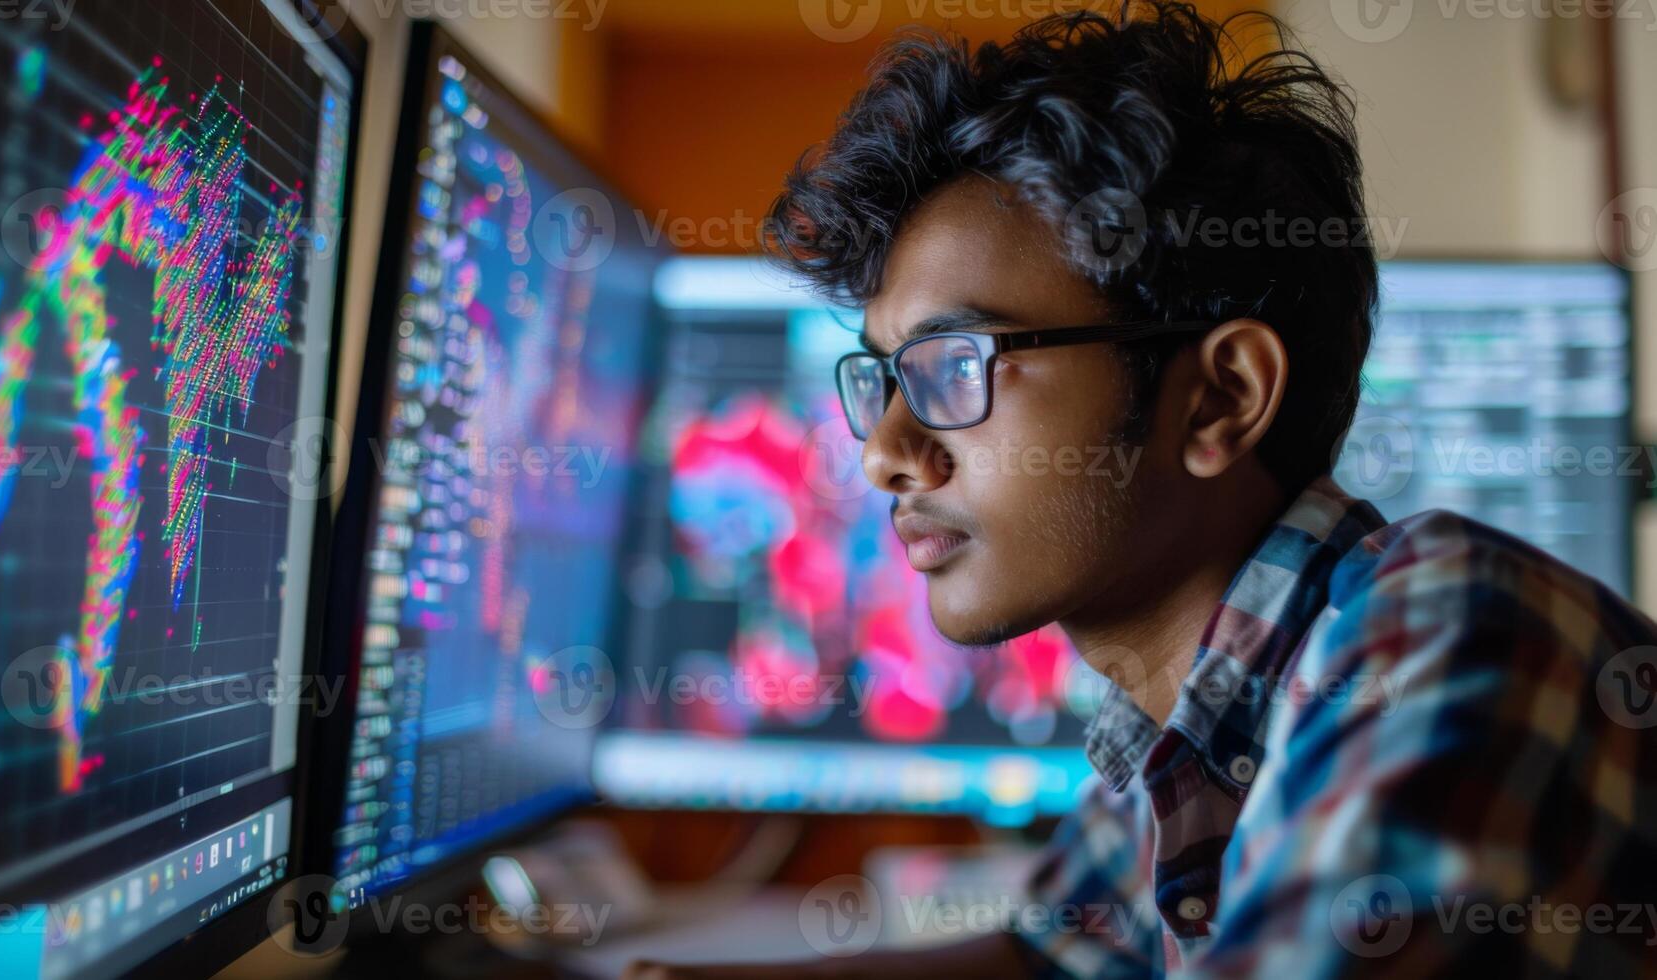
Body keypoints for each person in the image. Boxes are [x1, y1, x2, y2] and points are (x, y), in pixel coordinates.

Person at [627, 2, 1657, 976]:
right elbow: (1052, 958)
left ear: (1218, 399)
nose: (886, 453)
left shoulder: (1437, 631)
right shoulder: (1198, 712)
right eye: (885, 378)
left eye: (956, 363)